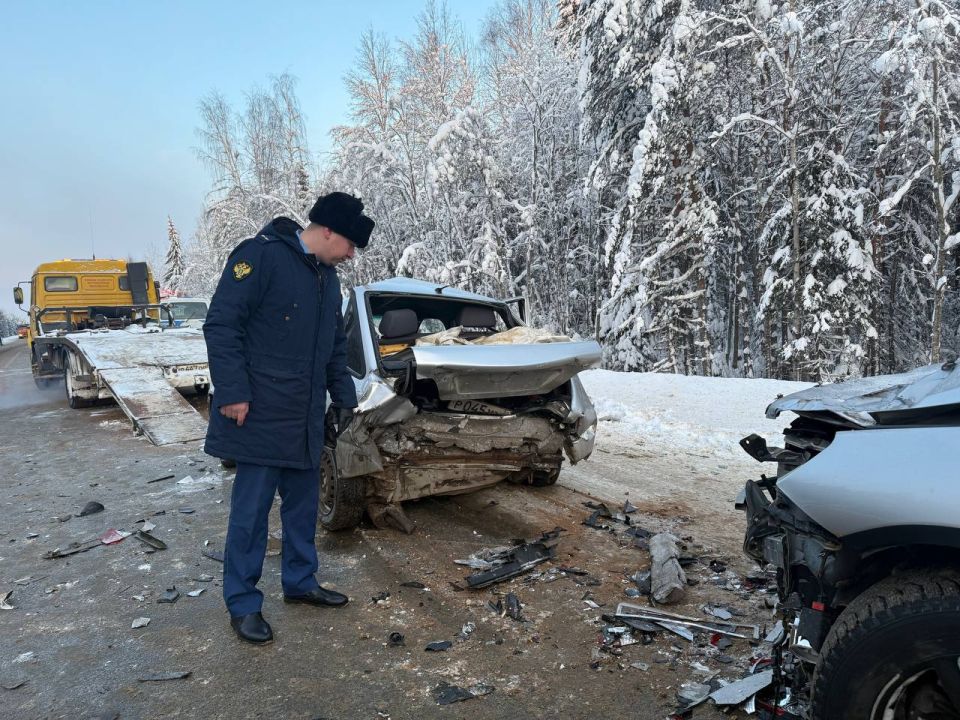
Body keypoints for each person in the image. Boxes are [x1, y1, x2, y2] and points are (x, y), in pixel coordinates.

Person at [203, 192, 374, 645]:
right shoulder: (260, 257)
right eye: (350, 244)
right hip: (258, 413)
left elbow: (335, 347)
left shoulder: (327, 278)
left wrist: (345, 398)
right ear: (328, 232)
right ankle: (242, 603)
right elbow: (221, 325)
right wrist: (233, 392)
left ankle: (300, 582)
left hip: (304, 417)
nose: (352, 254)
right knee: (251, 515)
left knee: (302, 508)